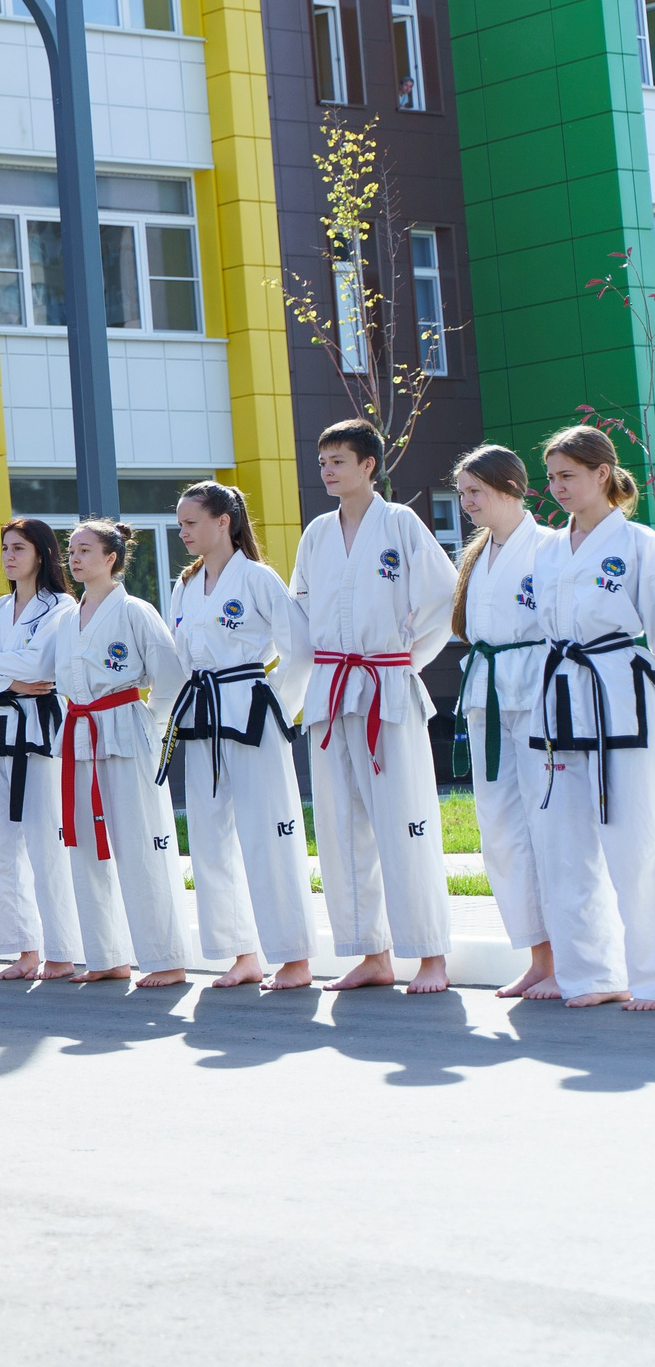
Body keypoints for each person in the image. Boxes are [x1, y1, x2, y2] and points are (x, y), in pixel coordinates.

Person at [288, 419, 456, 993]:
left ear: (368, 466)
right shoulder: (316, 533)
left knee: (405, 819)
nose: (327, 470)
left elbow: (440, 596)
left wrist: (405, 659)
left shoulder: (401, 523)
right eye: (322, 461)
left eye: (338, 460)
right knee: (340, 824)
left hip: (387, 684)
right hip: (334, 690)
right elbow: (300, 609)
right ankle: (371, 953)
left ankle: (430, 953)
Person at [164, 479, 316, 990]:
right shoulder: (183, 587)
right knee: (210, 837)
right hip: (203, 715)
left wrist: (273, 701)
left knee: (268, 831)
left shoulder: (257, 578)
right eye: (180, 523)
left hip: (251, 711)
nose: (182, 531)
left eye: (190, 522)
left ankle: (293, 956)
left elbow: (300, 650)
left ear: (223, 521)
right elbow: (177, 660)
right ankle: (242, 953)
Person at [526, 425, 652, 1009]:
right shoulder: (547, 548)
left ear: (602, 473)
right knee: (564, 844)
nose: (555, 489)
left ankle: (648, 975)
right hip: (560, 698)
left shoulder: (640, 544)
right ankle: (590, 974)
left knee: (634, 845)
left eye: (567, 476)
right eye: (550, 478)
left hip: (621, 699)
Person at [48, 521, 191, 988]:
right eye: (71, 550)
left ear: (111, 557)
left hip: (126, 727)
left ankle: (164, 957)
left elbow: (169, 677)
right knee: (84, 847)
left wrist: (150, 723)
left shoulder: (135, 611)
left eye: (85, 550)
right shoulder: (68, 616)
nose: (75, 558)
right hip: (79, 730)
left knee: (139, 842)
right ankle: (106, 955)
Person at [450, 445, 558, 999]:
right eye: (463, 493)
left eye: (477, 492)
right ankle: (539, 955)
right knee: (500, 830)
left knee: (549, 825)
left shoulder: (550, 548)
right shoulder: (476, 555)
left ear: (512, 487)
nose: (467, 502)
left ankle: (567, 954)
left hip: (538, 692)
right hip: (488, 691)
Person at [0, 519, 78, 982]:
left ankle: (63, 951)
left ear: (42, 554)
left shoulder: (62, 608)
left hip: (39, 732)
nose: (9, 556)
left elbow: (41, 664)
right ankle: (23, 948)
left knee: (46, 843)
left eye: (19, 548)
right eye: (5, 548)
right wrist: (7, 678)